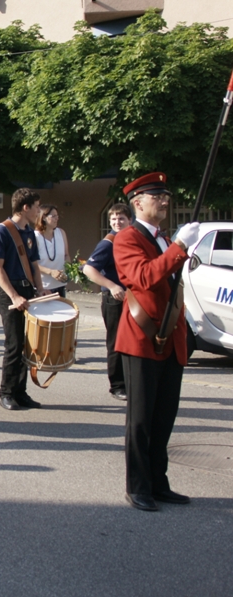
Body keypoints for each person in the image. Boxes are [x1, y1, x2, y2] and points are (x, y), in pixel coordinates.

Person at [114, 173, 199, 512]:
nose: (165, 201)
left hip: (171, 337)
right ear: (138, 203)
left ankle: (158, 481)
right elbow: (144, 277)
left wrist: (178, 251)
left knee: (164, 417)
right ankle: (138, 486)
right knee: (141, 419)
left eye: (166, 195)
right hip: (143, 338)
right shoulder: (127, 238)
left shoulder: (163, 238)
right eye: (157, 196)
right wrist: (178, 248)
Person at [0, 187, 46, 411]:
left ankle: (21, 392)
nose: (39, 210)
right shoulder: (1, 231)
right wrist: (14, 295)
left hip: (27, 291)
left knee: (28, 346)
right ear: (26, 207)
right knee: (14, 345)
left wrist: (39, 289)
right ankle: (6, 392)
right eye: (37, 206)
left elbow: (34, 265)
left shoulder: (29, 233)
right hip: (8, 293)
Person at [83, 203, 133, 401]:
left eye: (121, 219)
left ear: (130, 220)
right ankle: (117, 386)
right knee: (116, 343)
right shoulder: (108, 243)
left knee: (132, 342)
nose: (117, 222)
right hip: (114, 300)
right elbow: (89, 269)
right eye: (113, 219)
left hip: (132, 299)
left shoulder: (131, 241)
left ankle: (131, 382)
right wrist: (112, 286)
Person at [35, 204, 70, 297]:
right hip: (43, 288)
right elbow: (31, 263)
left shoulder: (61, 233)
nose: (57, 218)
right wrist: (51, 272)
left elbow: (66, 255)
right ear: (43, 218)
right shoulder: (35, 237)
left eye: (57, 216)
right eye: (53, 216)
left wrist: (68, 271)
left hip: (60, 285)